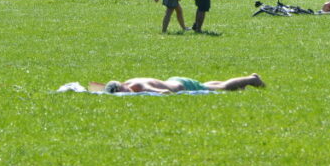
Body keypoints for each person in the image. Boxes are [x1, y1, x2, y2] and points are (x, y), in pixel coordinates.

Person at [104, 74, 264, 94]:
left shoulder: (139, 87)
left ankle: (251, 79)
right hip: (177, 81)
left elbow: (164, 93)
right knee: (207, 84)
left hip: (181, 86)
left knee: (222, 88)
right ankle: (242, 82)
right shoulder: (131, 81)